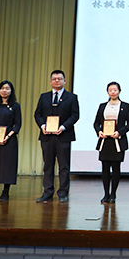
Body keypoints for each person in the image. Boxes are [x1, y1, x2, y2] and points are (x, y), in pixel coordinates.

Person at [34, 70, 80, 203]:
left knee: (63, 166)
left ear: (64, 81)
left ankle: (63, 193)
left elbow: (75, 115)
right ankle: (47, 192)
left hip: (63, 136)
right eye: (54, 79)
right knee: (48, 166)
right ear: (50, 81)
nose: (57, 81)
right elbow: (37, 114)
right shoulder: (44, 97)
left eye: (59, 78)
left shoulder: (71, 97)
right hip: (47, 136)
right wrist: (43, 126)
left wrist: (63, 127)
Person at [93, 81, 129, 204]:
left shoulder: (125, 106)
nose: (113, 92)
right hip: (105, 141)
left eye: (115, 90)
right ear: (107, 92)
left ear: (119, 91)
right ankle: (106, 194)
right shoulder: (102, 106)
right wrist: (99, 131)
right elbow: (96, 123)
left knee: (116, 168)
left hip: (118, 142)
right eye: (110, 90)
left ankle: (113, 194)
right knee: (105, 168)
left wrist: (120, 132)